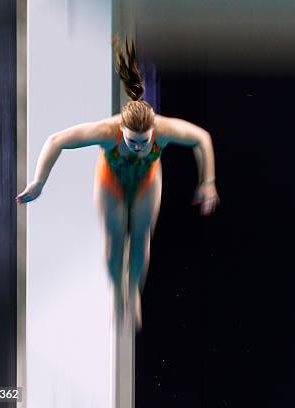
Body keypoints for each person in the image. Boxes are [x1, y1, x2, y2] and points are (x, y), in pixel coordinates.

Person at [16, 38, 219, 331]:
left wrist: (208, 182)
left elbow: (202, 138)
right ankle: (116, 292)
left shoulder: (163, 130)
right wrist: (39, 181)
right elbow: (55, 141)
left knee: (140, 240)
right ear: (121, 130)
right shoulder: (105, 131)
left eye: (144, 142)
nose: (138, 148)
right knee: (115, 245)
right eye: (132, 142)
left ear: (153, 132)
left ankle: (133, 290)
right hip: (110, 182)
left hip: (146, 182)